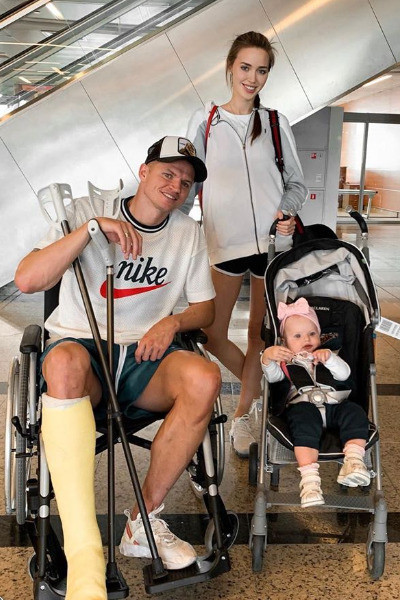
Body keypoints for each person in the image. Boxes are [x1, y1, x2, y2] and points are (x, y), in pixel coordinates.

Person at [14, 136, 220, 600]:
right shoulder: (86, 210)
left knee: (204, 377)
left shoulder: (187, 232)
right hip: (83, 351)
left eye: (186, 182)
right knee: (62, 361)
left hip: (145, 358)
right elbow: (28, 279)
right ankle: (85, 551)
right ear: (143, 172)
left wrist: (173, 321)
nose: (176, 186)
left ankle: (143, 522)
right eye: (168, 173)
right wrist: (89, 230)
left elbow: (205, 308)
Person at [183, 31, 308, 458]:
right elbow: (188, 183)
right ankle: (269, 390)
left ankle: (242, 416)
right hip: (223, 242)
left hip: (272, 246)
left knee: (258, 333)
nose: (252, 78)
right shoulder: (205, 121)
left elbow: (295, 184)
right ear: (230, 67)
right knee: (211, 332)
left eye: (262, 70)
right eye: (245, 67)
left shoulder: (275, 122)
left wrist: (286, 211)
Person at [260, 297, 371, 508]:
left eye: (312, 333)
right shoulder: (285, 362)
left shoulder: (329, 355)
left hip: (335, 405)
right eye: (297, 336)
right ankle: (310, 481)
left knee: (355, 412)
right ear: (284, 342)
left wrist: (330, 359)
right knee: (303, 423)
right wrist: (267, 357)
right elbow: (272, 377)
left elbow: (344, 374)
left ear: (320, 336)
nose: (307, 339)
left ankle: (354, 460)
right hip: (302, 408)